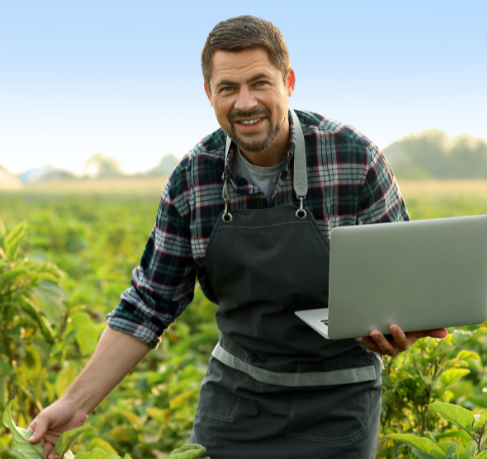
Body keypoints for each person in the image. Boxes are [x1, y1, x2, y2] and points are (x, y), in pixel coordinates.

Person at [28, 15, 448, 459]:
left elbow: (404, 288)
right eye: (228, 88)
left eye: (259, 83)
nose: (245, 102)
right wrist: (73, 406)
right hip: (236, 403)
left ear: (288, 82)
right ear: (209, 93)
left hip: (340, 405)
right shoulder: (194, 176)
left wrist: (404, 331)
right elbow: (150, 302)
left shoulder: (353, 157)